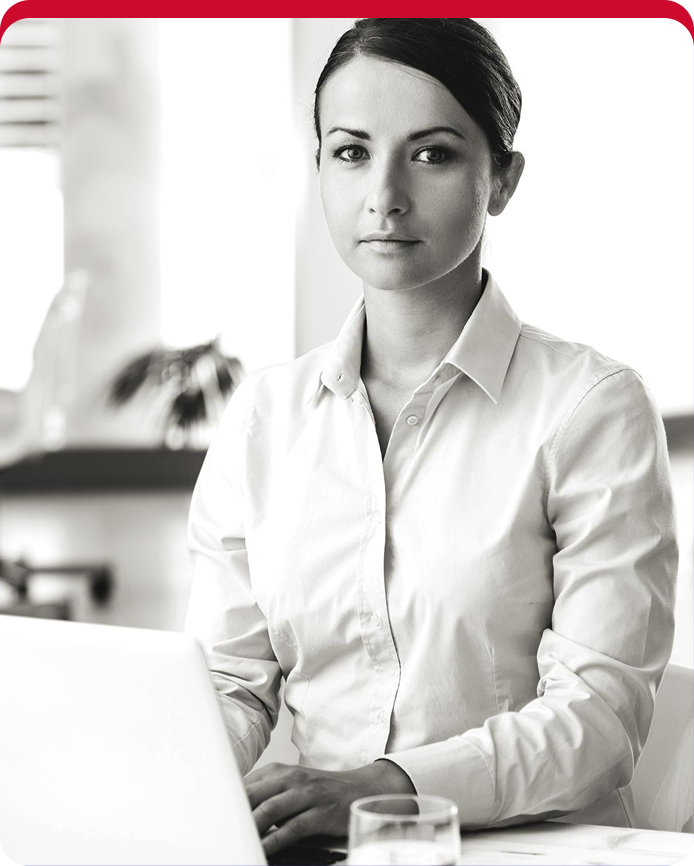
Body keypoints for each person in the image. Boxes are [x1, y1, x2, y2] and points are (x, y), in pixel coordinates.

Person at [185, 18, 678, 858]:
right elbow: (229, 684)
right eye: (349, 152)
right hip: (316, 852)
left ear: (503, 180)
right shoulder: (263, 418)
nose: (383, 195)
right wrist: (183, 786)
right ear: (318, 171)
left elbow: (599, 719)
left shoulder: (592, 407)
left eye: (432, 153)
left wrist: (389, 790)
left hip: (523, 852)